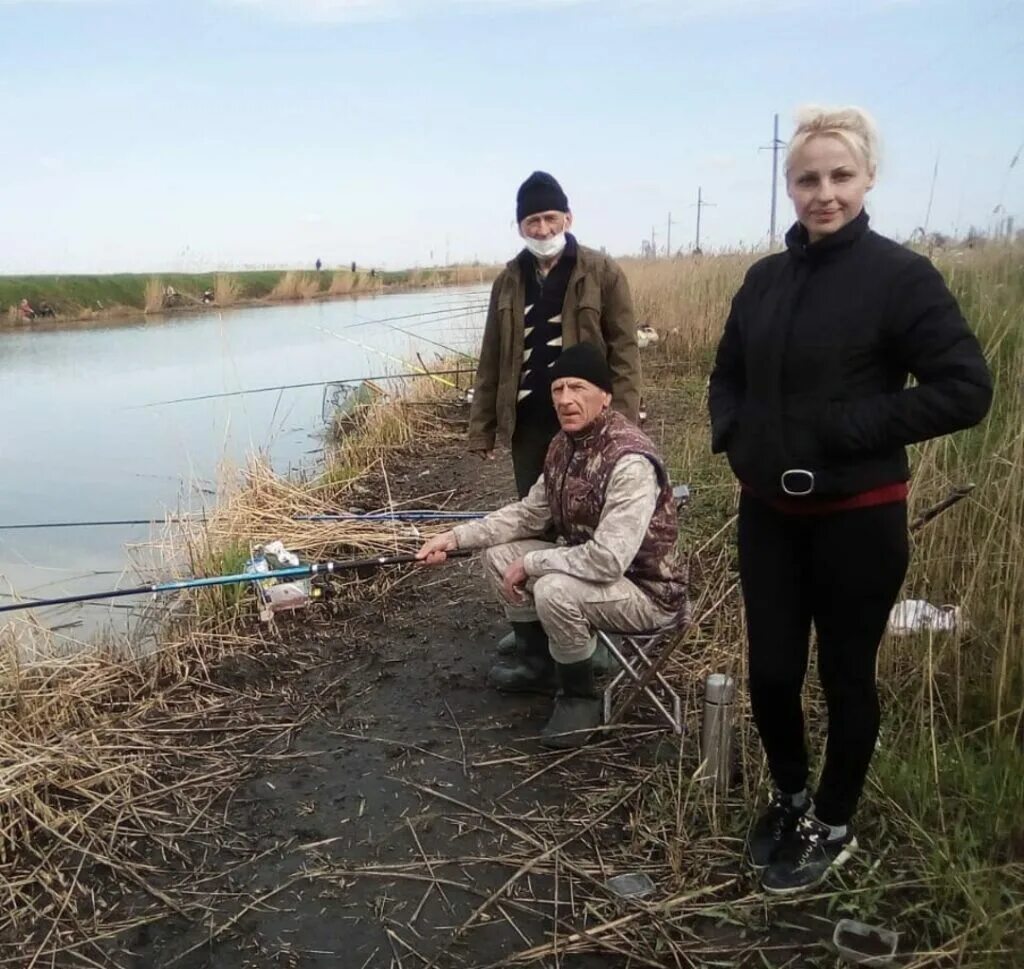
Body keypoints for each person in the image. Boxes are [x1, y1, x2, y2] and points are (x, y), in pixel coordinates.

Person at [708, 106, 992, 895]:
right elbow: (726, 371)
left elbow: (967, 389)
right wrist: (733, 433)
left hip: (859, 517)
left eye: (840, 176)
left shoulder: (902, 278)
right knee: (770, 674)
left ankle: (832, 822)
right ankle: (791, 795)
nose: (823, 193)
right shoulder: (763, 280)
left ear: (867, 179)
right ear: (788, 185)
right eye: (807, 178)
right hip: (768, 515)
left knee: (845, 676)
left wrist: (849, 427)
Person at [419, 343, 687, 749]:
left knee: (551, 587)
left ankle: (579, 699)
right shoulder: (564, 444)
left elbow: (608, 560)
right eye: (558, 389)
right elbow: (527, 514)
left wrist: (535, 563)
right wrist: (455, 538)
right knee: (500, 554)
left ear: (605, 396)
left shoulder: (629, 460)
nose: (565, 399)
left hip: (648, 593)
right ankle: (538, 665)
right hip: (597, 577)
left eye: (577, 387)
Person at [469, 171, 642, 660]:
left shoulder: (602, 271)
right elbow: (491, 356)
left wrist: (621, 423)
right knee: (533, 520)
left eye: (549, 218)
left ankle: (591, 628)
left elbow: (625, 353)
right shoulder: (507, 280)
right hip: (528, 422)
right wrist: (482, 427)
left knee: (588, 523)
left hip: (587, 422)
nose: (542, 229)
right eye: (532, 220)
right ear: (520, 225)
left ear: (567, 217)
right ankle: (534, 625)